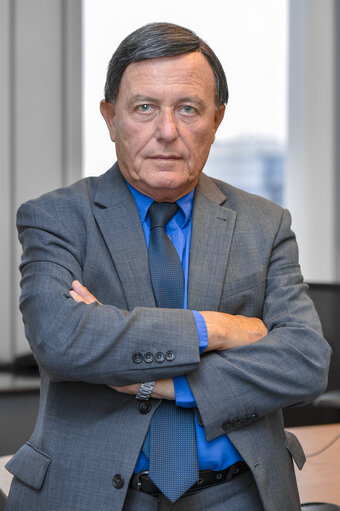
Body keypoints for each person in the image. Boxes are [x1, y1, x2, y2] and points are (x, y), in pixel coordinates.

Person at [5, 22, 330, 511]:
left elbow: (305, 362)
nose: (167, 131)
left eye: (188, 108)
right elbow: (62, 340)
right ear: (110, 117)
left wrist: (156, 381)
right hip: (90, 496)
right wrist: (218, 329)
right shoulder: (56, 217)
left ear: (216, 119)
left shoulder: (264, 223)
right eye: (144, 108)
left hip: (239, 492)